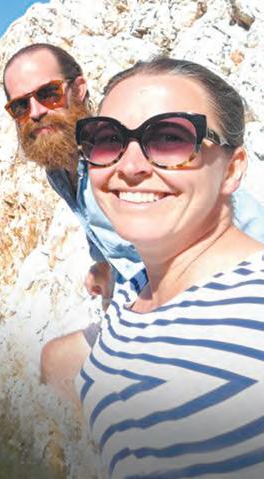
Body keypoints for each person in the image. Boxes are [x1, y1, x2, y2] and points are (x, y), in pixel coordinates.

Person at [3, 44, 264, 400]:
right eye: (20, 106)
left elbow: (238, 223)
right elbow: (108, 230)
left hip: (194, 309)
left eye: (49, 94)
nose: (35, 112)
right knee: (55, 360)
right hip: (136, 298)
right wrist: (104, 267)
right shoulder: (60, 171)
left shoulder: (121, 164)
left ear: (79, 89)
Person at [75, 57, 264, 478]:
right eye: (107, 140)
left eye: (170, 138)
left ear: (232, 169)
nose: (130, 166)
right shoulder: (136, 292)